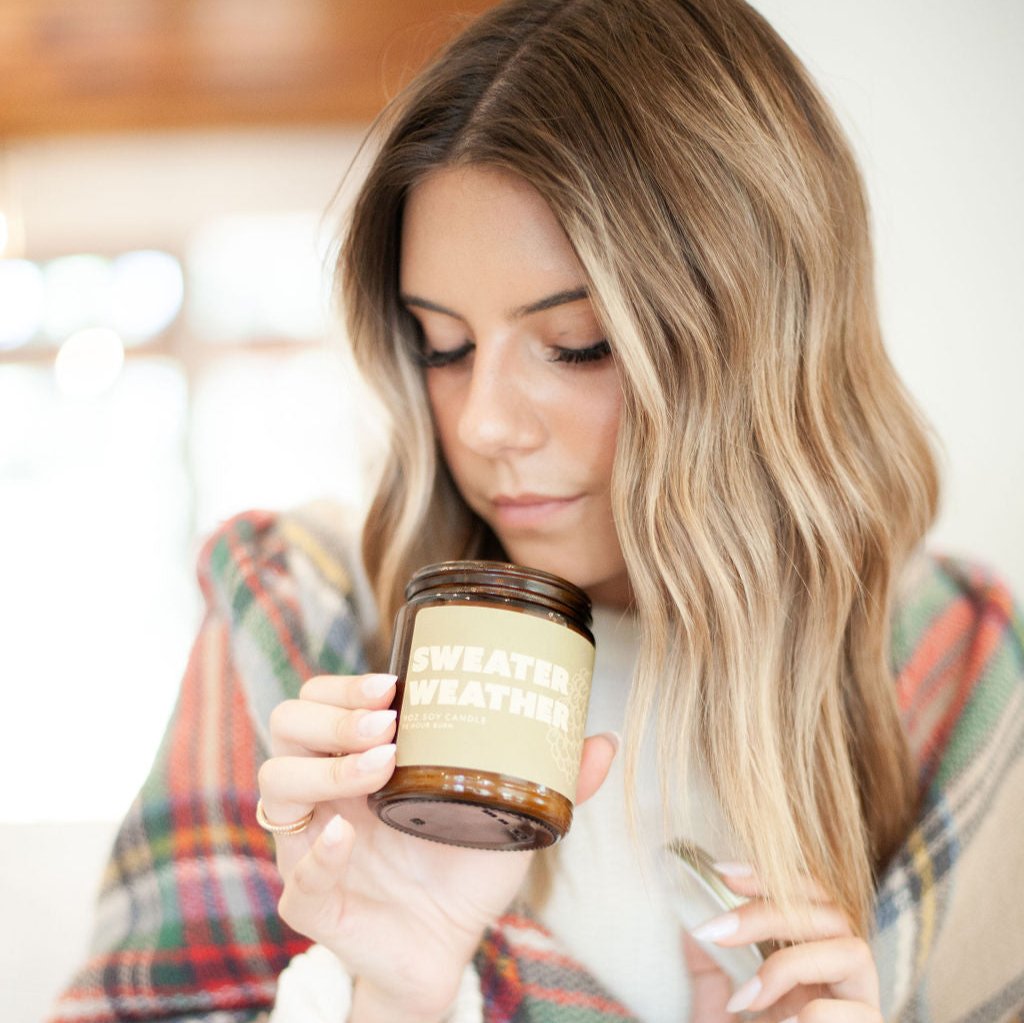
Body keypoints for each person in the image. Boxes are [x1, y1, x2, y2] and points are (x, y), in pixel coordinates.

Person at [51, 1, 1024, 1021]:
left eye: (575, 344)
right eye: (442, 344)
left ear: (759, 339)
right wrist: (394, 997)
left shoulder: (951, 669)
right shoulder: (301, 619)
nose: (482, 425)